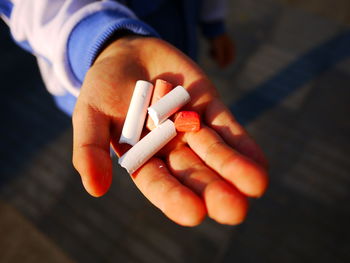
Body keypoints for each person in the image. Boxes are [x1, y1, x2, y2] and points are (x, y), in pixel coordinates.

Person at [0, 0, 268, 226]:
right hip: (88, 62)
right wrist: (102, 39)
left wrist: (214, 24)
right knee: (112, 132)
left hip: (173, 50)